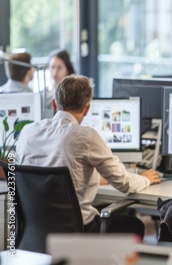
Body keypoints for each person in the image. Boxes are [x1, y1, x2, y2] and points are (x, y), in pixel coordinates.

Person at [16, 75, 160, 232]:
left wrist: (96, 178)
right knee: (134, 225)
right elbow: (125, 184)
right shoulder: (85, 136)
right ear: (87, 109)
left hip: (34, 231)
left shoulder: (28, 131)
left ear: (54, 103)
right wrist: (145, 179)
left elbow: (47, 174)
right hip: (77, 232)